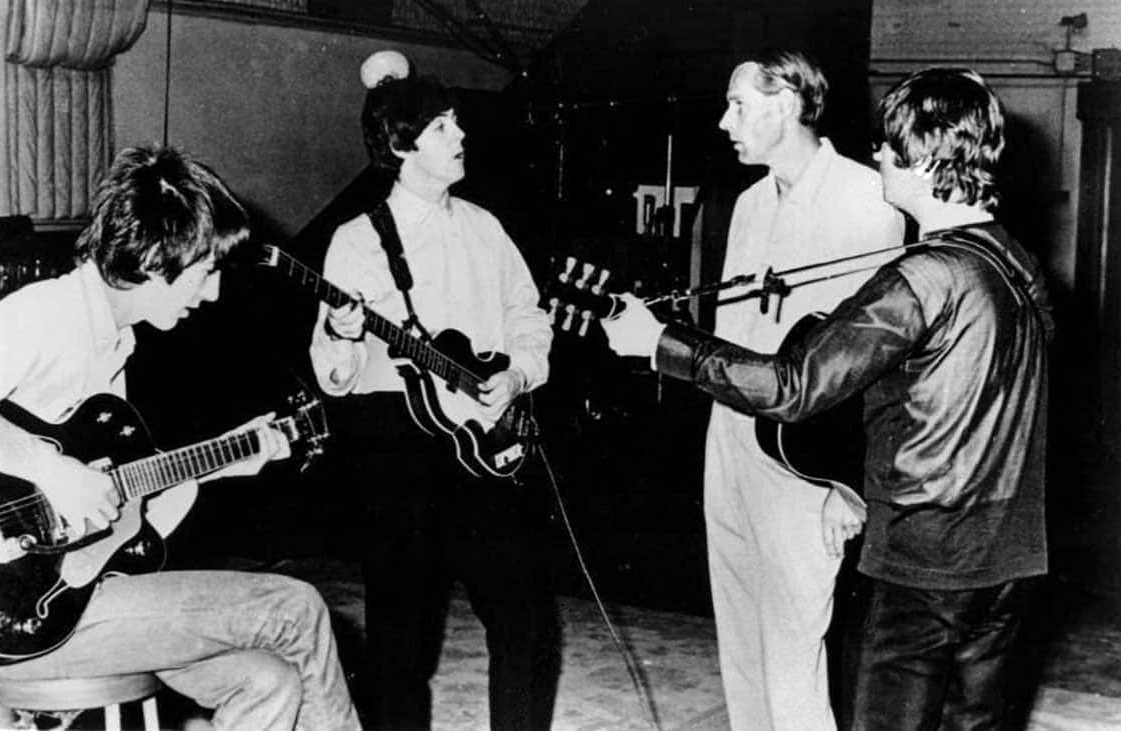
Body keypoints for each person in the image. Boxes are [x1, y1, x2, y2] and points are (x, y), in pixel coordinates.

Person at [602, 66, 1051, 730]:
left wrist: (660, 343)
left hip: (921, 567)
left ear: (925, 160)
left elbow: (792, 385)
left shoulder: (921, 277)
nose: (878, 156)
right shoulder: (1017, 263)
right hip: (1007, 562)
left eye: (891, 146)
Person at [0, 145, 360, 731]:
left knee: (269, 681)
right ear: (155, 262)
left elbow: (123, 520)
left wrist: (218, 464)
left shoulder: (112, 342)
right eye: (206, 273)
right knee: (296, 606)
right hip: (15, 606)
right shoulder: (47, 315)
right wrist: (49, 469)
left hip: (76, 591)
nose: (211, 294)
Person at [309, 59, 560, 730]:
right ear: (399, 146)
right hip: (400, 457)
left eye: (456, 122)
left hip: (488, 446)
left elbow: (528, 316)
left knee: (527, 623)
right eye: (442, 126)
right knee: (400, 646)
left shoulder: (486, 226)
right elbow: (333, 374)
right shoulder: (357, 242)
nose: (460, 134)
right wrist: (341, 332)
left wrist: (518, 373)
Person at [680, 50, 908, 730]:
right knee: (741, 641)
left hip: (804, 459)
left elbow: (872, 364)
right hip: (730, 439)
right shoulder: (748, 202)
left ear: (784, 106)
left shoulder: (866, 200)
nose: (725, 121)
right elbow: (731, 337)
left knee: (793, 649)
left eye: (738, 105)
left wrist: (846, 485)